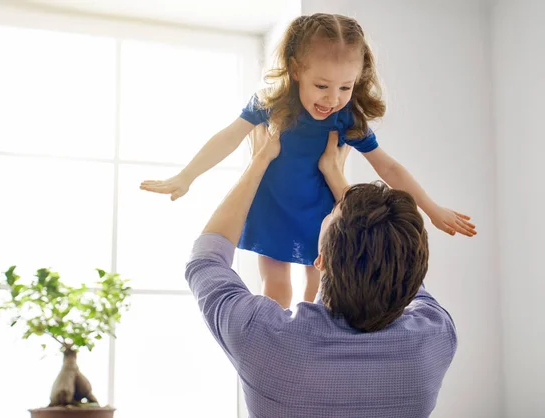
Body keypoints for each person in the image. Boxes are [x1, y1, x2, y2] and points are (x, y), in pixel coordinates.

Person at [143, 13, 476, 308]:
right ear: (296, 69)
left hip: (321, 212)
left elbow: (387, 167)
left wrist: (432, 209)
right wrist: (186, 176)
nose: (332, 99)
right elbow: (229, 137)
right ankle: (276, 348)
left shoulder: (347, 119)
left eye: (346, 87)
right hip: (272, 206)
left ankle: (311, 345)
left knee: (320, 289)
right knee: (274, 289)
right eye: (322, 85)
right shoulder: (270, 104)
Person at [185, 126, 457, 418]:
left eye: (329, 216)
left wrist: (258, 164)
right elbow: (401, 260)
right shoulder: (434, 338)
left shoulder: (261, 336)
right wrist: (334, 173)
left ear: (321, 261)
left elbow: (205, 260)